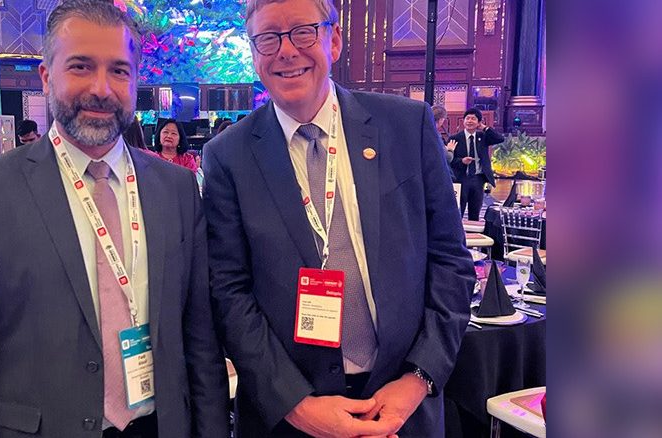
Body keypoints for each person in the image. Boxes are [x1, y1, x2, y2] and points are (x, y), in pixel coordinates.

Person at [0, 1, 229, 437]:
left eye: (119, 71)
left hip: (160, 425)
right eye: (81, 67)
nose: (101, 88)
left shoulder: (177, 189)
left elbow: (200, 337)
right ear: (46, 76)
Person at [201, 0, 474, 437]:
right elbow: (228, 292)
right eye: (268, 38)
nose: (286, 50)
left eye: (303, 31)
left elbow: (451, 262)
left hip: (402, 406)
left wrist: (418, 378)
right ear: (253, 52)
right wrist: (295, 404)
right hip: (290, 416)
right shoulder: (228, 156)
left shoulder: (406, 126)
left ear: (335, 39)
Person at [450, 107, 505, 220]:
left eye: (473, 119)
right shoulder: (455, 138)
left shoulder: (483, 137)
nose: (469, 121)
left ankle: (473, 230)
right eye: (467, 118)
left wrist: (485, 128)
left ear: (479, 122)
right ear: (463, 121)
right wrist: (462, 161)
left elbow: (500, 139)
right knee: (458, 211)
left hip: (478, 179)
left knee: (475, 212)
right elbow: (449, 160)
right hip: (461, 179)